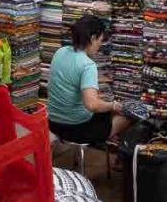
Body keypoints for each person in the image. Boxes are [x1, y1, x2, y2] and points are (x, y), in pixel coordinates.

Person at [47, 15, 131, 145]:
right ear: (92, 38)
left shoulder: (60, 52)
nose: (99, 46)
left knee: (106, 108)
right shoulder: (87, 65)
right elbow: (92, 105)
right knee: (128, 114)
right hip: (77, 128)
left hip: (53, 123)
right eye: (100, 41)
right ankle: (122, 157)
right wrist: (114, 105)